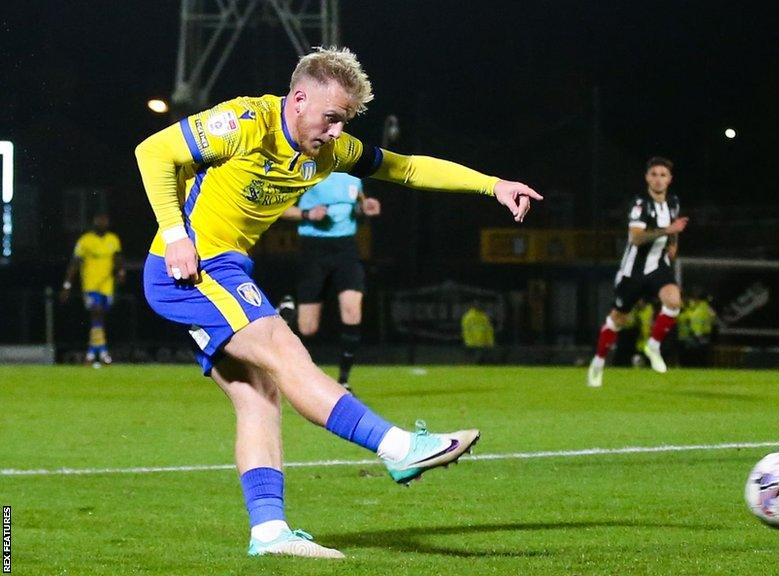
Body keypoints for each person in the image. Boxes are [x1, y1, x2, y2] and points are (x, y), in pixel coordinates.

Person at [135, 46, 541, 559]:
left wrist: (493, 185)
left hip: (226, 266)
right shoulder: (243, 123)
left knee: (258, 395)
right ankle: (399, 449)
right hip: (192, 268)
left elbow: (408, 169)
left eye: (344, 122)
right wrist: (175, 234)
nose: (335, 132)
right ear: (298, 99)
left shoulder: (330, 151)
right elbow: (152, 152)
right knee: (286, 351)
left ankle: (269, 532)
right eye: (330, 118)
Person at [587, 157, 687, 387]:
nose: (658, 179)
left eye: (663, 175)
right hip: (634, 270)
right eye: (654, 174)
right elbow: (636, 237)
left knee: (674, 301)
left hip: (658, 266)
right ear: (647, 178)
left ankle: (653, 345)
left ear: (670, 179)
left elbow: (674, 227)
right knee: (618, 320)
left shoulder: (673, 202)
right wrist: (667, 230)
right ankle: (598, 362)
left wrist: (673, 243)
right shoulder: (640, 204)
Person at [278, 172, 379, 390]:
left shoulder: (353, 176)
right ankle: (285, 313)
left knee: (352, 311)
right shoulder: (307, 172)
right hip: (314, 249)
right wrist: (307, 213)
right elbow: (278, 209)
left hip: (346, 250)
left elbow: (358, 207)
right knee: (307, 328)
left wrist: (365, 207)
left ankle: (344, 380)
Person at [59, 213, 125, 366]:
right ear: (94, 222)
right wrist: (67, 286)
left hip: (107, 286)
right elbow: (74, 263)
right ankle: (103, 354)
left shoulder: (112, 239)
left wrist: (121, 272)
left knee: (99, 319)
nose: (103, 223)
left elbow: (118, 258)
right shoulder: (85, 241)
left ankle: (92, 352)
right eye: (99, 220)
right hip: (90, 286)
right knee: (97, 314)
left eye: (105, 220)